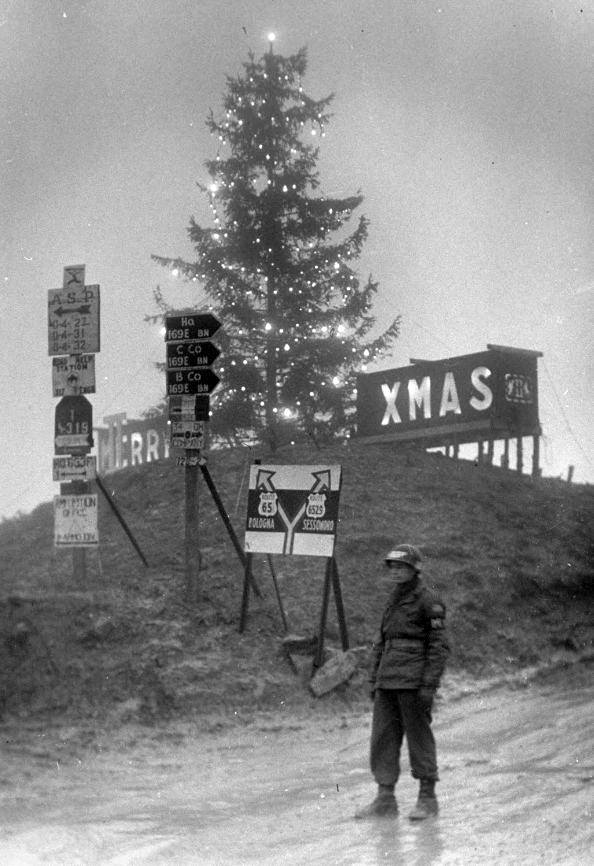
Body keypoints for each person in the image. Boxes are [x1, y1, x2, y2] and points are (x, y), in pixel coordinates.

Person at [354, 543, 450, 821]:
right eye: (393, 567)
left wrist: (429, 686)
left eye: (402, 567)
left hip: (413, 682)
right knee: (383, 739)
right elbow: (382, 642)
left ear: (415, 570)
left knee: (419, 739)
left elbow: (439, 646)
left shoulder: (429, 601)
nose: (396, 572)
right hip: (388, 680)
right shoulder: (394, 599)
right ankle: (385, 799)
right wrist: (375, 679)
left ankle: (427, 799)